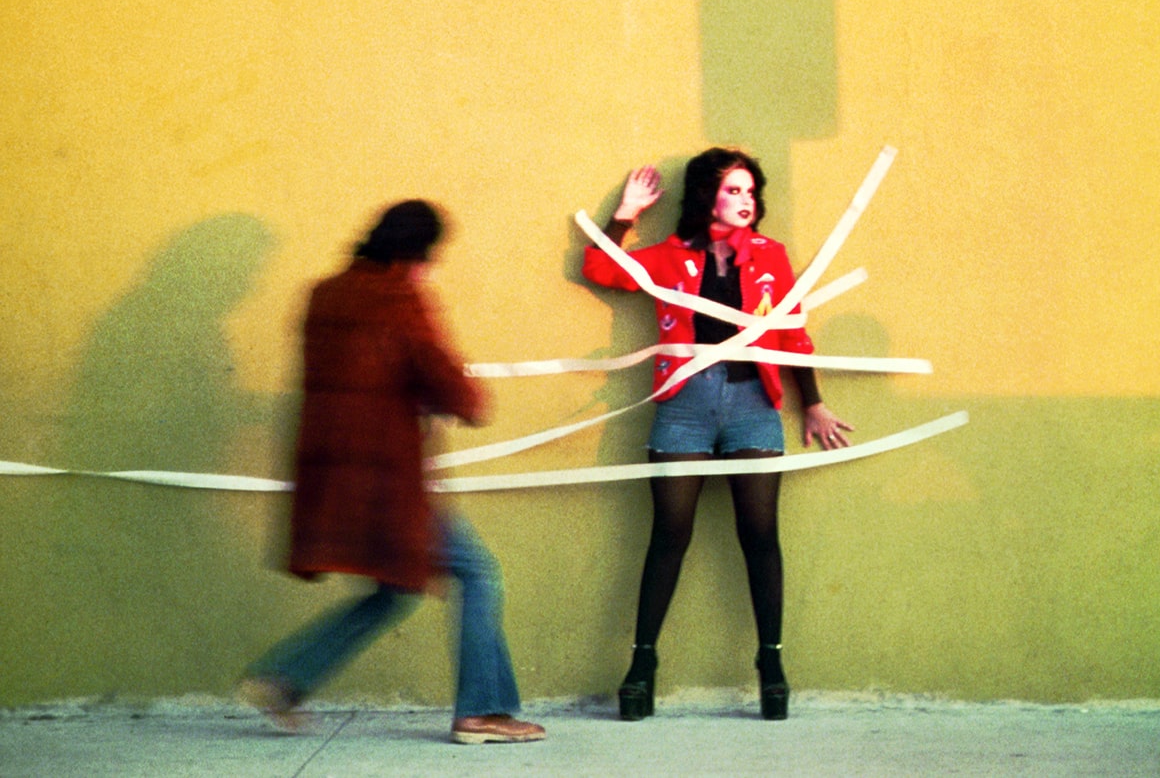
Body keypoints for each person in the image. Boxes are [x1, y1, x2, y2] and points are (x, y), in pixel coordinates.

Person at [239, 200, 545, 745]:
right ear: (418, 254)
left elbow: (358, 374)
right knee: (478, 573)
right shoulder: (400, 298)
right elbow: (450, 385)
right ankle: (483, 711)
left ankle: (285, 678)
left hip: (337, 481)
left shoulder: (324, 294)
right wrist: (468, 398)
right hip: (390, 480)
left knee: (394, 590)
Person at [582, 148, 854, 721]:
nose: (745, 201)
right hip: (685, 405)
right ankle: (641, 666)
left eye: (750, 191)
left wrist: (814, 404)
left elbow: (792, 331)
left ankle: (772, 665)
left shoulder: (771, 257)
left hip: (753, 404)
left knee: (759, 535)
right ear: (708, 194)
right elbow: (602, 269)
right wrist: (625, 215)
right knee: (669, 535)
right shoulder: (668, 257)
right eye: (733, 190)